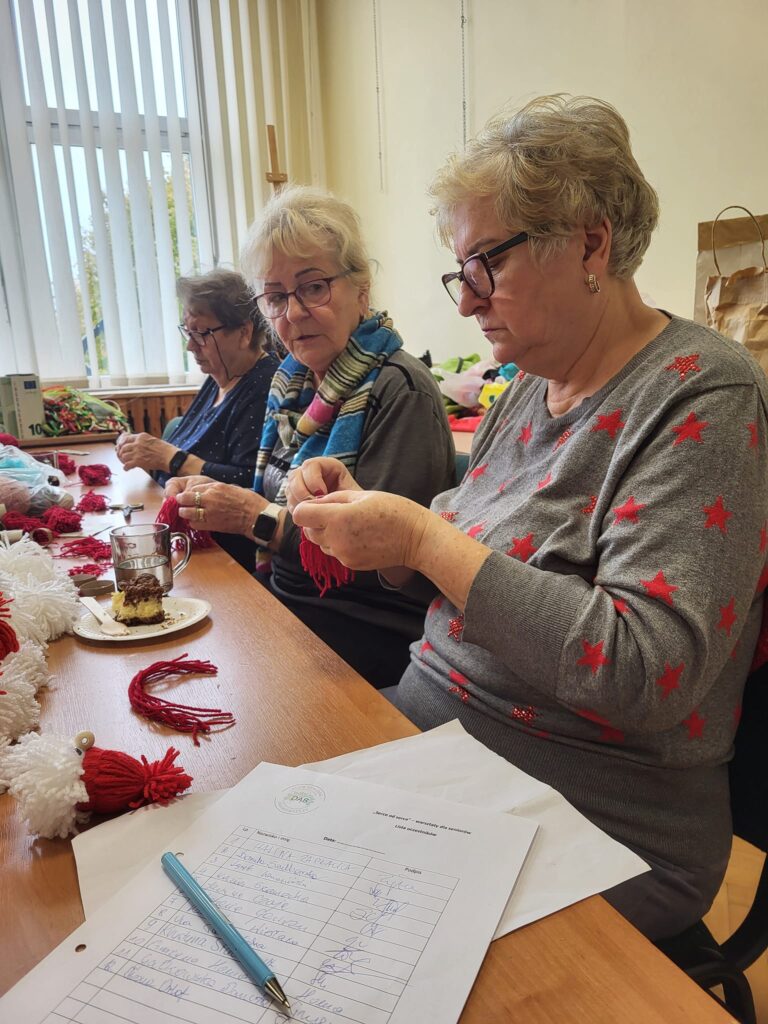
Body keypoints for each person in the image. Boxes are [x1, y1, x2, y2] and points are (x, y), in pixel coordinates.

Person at [288, 95, 768, 942]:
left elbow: (645, 672)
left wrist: (423, 539)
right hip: (441, 748)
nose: (468, 302)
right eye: (458, 271)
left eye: (486, 264)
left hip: (600, 813)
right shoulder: (525, 387)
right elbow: (449, 551)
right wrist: (365, 520)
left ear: (591, 241)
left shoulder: (704, 393)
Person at [168, 186, 455, 688]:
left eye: (314, 286)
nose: (293, 313)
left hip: (359, 633)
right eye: (276, 297)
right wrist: (207, 499)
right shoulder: (290, 386)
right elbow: (267, 507)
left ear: (361, 288)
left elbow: (391, 564)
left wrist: (250, 517)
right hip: (287, 604)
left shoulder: (399, 390)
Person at [116, 269, 279, 567]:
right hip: (189, 538)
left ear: (244, 332)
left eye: (201, 333)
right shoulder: (217, 379)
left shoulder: (264, 387)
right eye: (187, 331)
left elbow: (249, 486)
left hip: (224, 555)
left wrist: (170, 458)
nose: (191, 345)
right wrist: (145, 453)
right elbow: (174, 455)